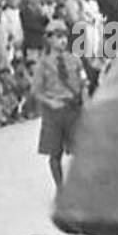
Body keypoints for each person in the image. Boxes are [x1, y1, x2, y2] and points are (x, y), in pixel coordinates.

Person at [31, 19, 84, 189]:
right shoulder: (43, 64)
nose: (63, 40)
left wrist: (86, 103)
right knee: (55, 153)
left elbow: (84, 83)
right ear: (49, 40)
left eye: (64, 37)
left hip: (72, 109)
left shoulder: (75, 60)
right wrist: (50, 102)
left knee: (80, 150)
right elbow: (36, 91)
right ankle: (60, 188)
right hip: (53, 112)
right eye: (58, 37)